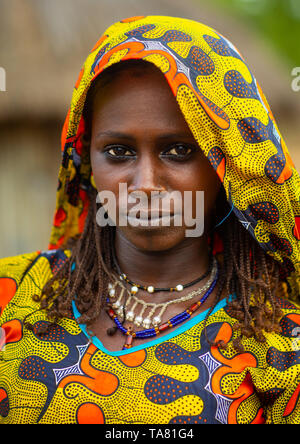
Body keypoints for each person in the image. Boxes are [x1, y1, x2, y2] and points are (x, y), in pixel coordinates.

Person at [0, 15, 299, 425]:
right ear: (87, 158)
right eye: (118, 151)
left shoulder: (280, 345)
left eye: (178, 150)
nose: (144, 185)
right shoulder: (12, 297)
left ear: (224, 164)